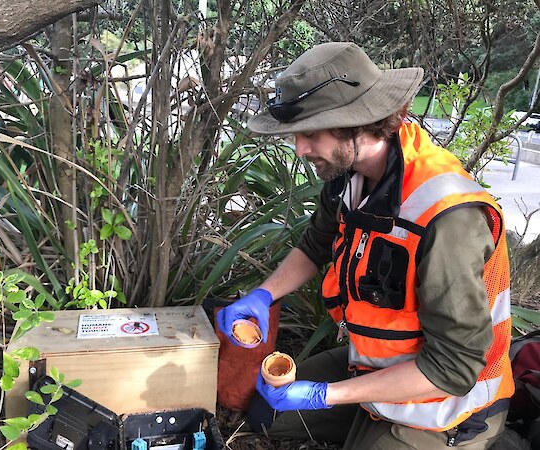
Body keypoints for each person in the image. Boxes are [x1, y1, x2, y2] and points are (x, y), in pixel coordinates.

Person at [216, 42, 514, 449]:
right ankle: (363, 413)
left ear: (357, 123)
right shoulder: (348, 175)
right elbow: (314, 247)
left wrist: (327, 395)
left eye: (310, 134)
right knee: (265, 414)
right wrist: (261, 296)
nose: (300, 149)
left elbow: (454, 367)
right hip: (376, 359)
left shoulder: (448, 218)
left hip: (446, 404)